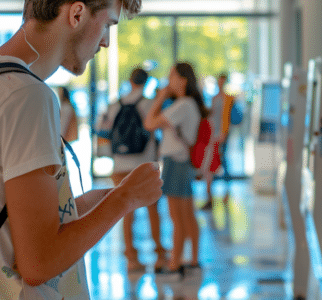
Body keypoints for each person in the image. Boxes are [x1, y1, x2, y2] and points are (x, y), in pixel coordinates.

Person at [0, 0, 163, 298]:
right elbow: (38, 263)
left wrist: (85, 205)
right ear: (76, 13)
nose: (106, 42)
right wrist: (126, 199)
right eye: (108, 24)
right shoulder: (27, 96)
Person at [100, 67, 166, 273]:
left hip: (119, 164)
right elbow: (156, 130)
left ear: (130, 80)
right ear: (147, 82)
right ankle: (159, 256)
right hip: (143, 164)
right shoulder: (149, 104)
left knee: (126, 211)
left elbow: (103, 132)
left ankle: (131, 258)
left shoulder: (114, 105)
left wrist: (110, 157)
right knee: (153, 210)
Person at [144, 62, 207, 276]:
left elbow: (149, 123)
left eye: (172, 75)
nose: (168, 79)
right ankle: (193, 259)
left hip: (175, 161)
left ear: (183, 80)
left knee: (177, 216)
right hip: (182, 161)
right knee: (187, 214)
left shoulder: (182, 105)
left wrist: (161, 97)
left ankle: (175, 262)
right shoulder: (188, 104)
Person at [201, 72, 234, 210]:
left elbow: (229, 118)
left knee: (222, 162)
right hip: (213, 135)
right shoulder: (214, 98)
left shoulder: (229, 99)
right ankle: (210, 196)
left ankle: (226, 193)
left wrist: (224, 134)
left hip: (222, 135)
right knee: (210, 164)